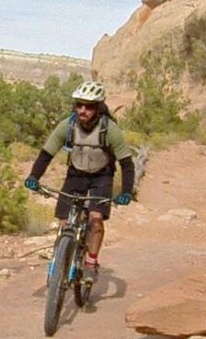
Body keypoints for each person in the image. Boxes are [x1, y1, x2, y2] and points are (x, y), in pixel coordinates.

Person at [23, 79, 137, 279]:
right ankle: (60, 260)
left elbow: (127, 164)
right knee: (64, 221)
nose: (83, 110)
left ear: (98, 108)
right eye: (79, 105)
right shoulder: (67, 125)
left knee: (95, 219)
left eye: (89, 106)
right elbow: (46, 154)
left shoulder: (109, 129)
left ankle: (91, 262)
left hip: (102, 176)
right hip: (76, 174)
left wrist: (126, 191)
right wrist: (34, 176)